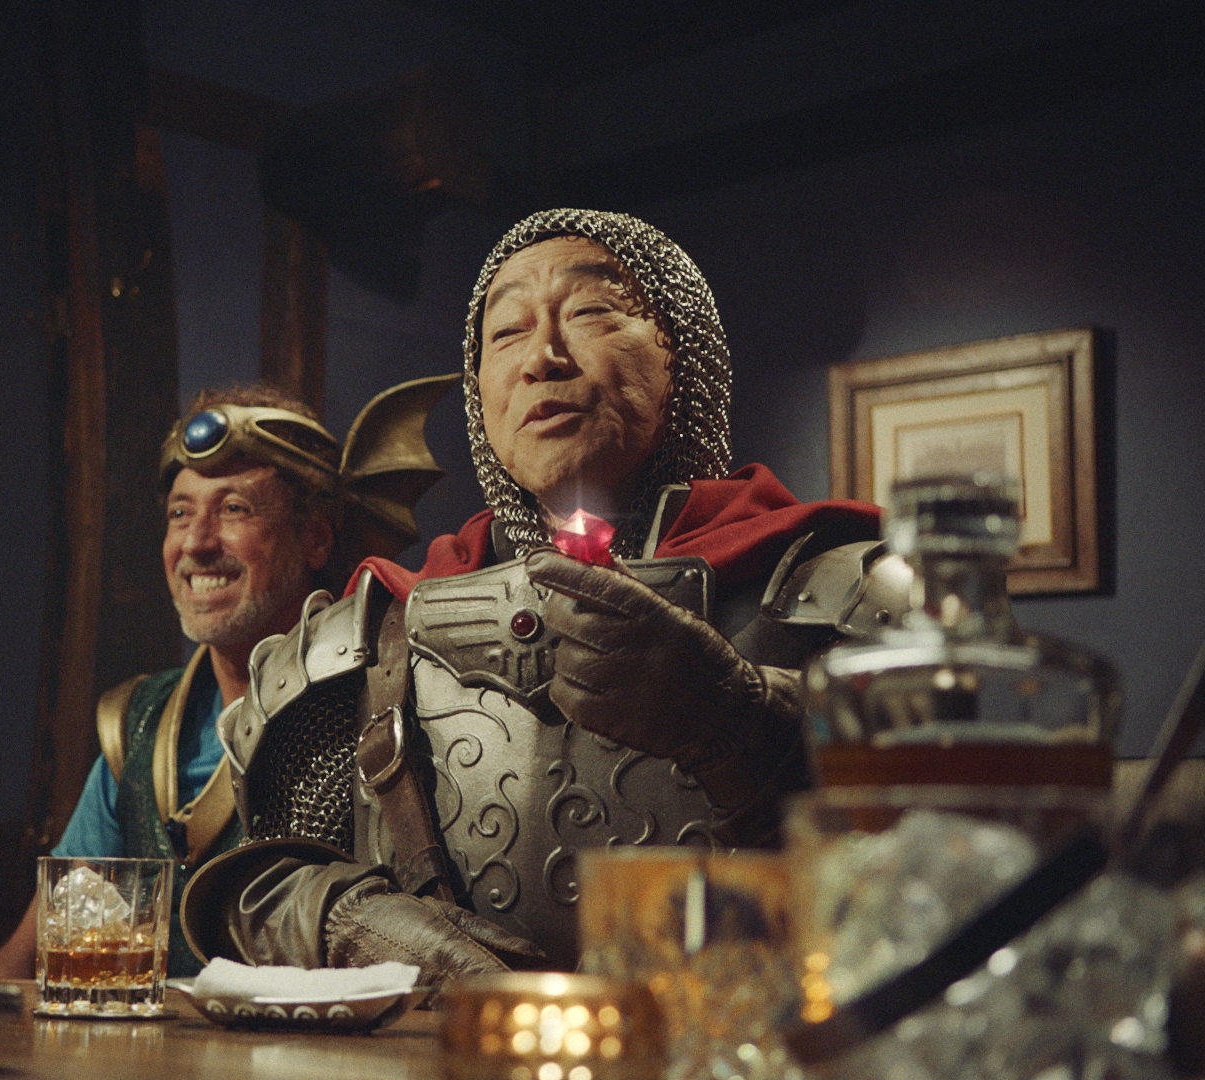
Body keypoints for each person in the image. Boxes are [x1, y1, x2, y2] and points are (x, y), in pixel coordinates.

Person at [182, 208, 906, 979]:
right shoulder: (376, 626)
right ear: (480, 391)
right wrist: (346, 921)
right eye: (507, 333)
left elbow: (939, 860)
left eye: (590, 312)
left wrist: (737, 720)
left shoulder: (842, 590)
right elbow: (262, 882)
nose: (542, 358)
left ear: (683, 356)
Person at [0, 376, 458, 978]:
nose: (197, 543)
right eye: (180, 514)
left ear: (315, 537)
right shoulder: (138, 725)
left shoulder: (382, 714)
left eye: (234, 509)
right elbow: (17, 966)